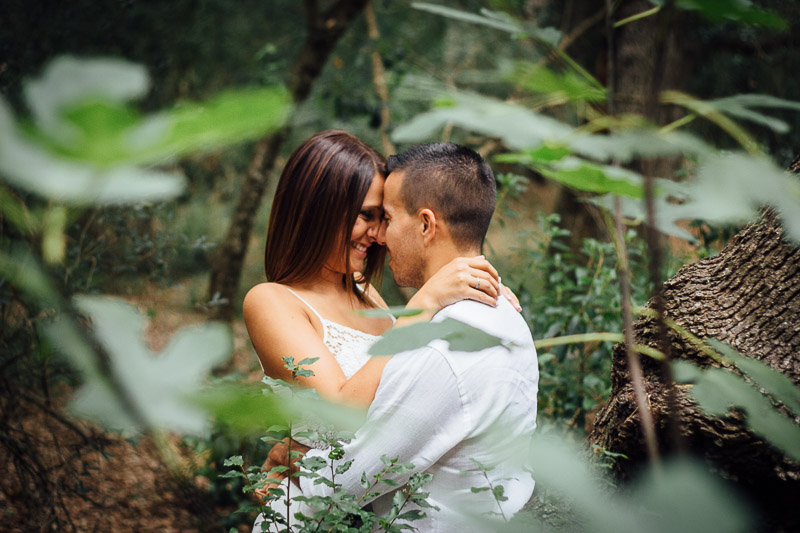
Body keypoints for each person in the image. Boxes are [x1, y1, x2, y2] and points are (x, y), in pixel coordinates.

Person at [244, 131, 517, 530]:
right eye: (367, 216)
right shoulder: (271, 301)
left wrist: (473, 285)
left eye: (383, 218)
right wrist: (424, 304)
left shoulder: (364, 291)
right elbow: (337, 410)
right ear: (319, 209)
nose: (378, 235)